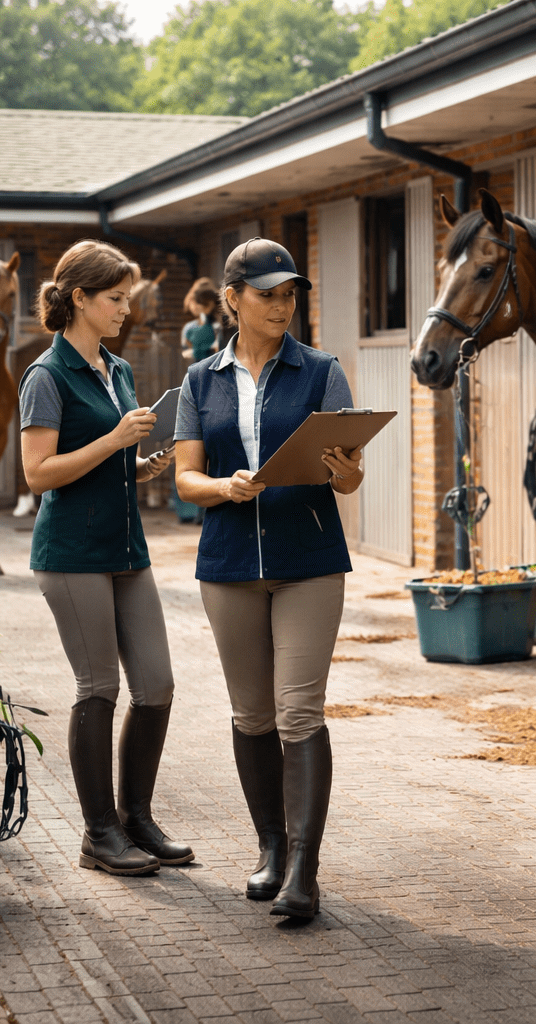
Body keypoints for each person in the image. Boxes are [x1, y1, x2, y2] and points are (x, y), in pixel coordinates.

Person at [173, 237, 362, 919]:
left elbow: (349, 476)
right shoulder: (200, 381)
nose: (282, 306)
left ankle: (304, 870)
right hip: (228, 565)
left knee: (299, 711)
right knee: (252, 714)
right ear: (233, 299)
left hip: (308, 562)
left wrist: (345, 471)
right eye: (267, 295)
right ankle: (272, 850)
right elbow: (185, 477)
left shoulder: (322, 372)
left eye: (289, 295)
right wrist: (223, 487)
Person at [20, 239, 191, 877]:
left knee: (157, 686)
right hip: (71, 554)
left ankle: (135, 819)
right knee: (98, 688)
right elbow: (38, 473)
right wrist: (114, 439)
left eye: (127, 299)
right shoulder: (46, 376)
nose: (126, 309)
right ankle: (98, 834)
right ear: (80, 298)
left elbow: (107, 459)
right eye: (116, 299)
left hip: (126, 549)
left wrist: (140, 463)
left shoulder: (116, 369)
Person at [173, 278, 221, 523]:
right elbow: (186, 352)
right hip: (195, 384)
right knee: (190, 450)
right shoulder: (190, 328)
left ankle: (205, 509)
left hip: (217, 384)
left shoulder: (218, 327)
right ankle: (190, 510)